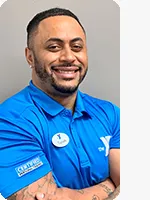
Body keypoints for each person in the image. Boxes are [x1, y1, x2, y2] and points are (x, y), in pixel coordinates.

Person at [0, 7, 120, 200]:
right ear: (30, 57)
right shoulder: (8, 121)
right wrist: (110, 184)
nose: (69, 57)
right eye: (54, 47)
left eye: (77, 47)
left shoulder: (110, 113)